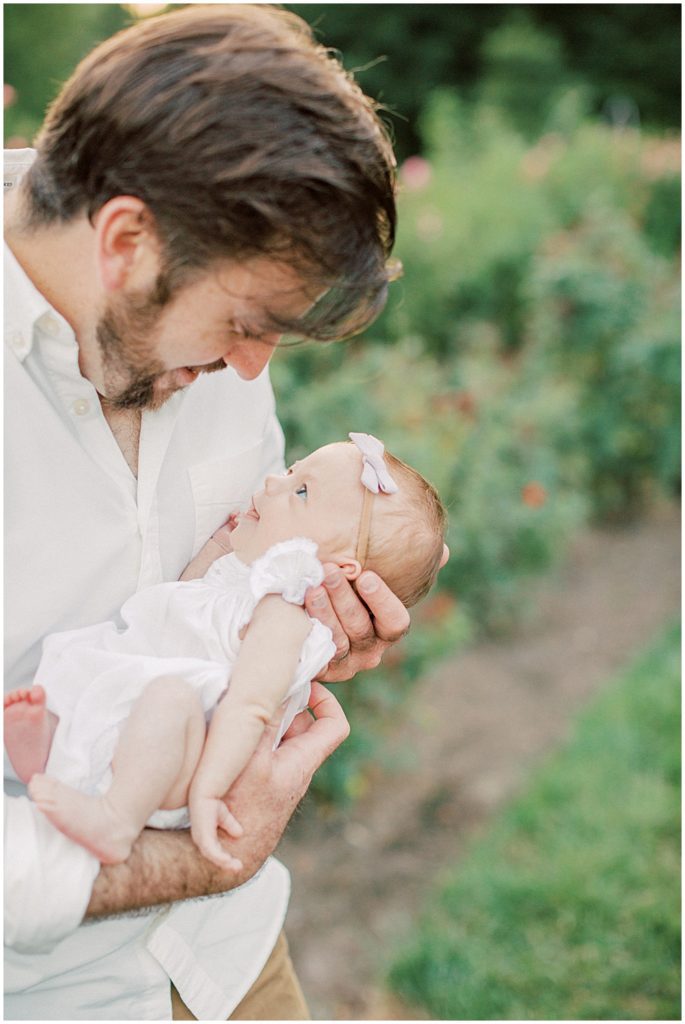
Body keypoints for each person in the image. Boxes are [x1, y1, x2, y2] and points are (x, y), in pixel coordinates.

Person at [3, 5, 425, 1019]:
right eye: (243, 324)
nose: (251, 368)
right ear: (127, 240)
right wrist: (197, 857)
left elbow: (238, 592)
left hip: (236, 963)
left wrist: (303, 637)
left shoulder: (217, 343)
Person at [5, 434, 447, 874]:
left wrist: (210, 789)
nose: (274, 481)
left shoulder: (287, 615)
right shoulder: (246, 583)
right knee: (103, 680)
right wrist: (224, 545)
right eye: (292, 469)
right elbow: (188, 593)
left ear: (339, 567)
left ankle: (116, 821)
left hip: (189, 761)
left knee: (170, 699)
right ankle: (49, 756)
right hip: (143, 720)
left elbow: (251, 705)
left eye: (301, 492)